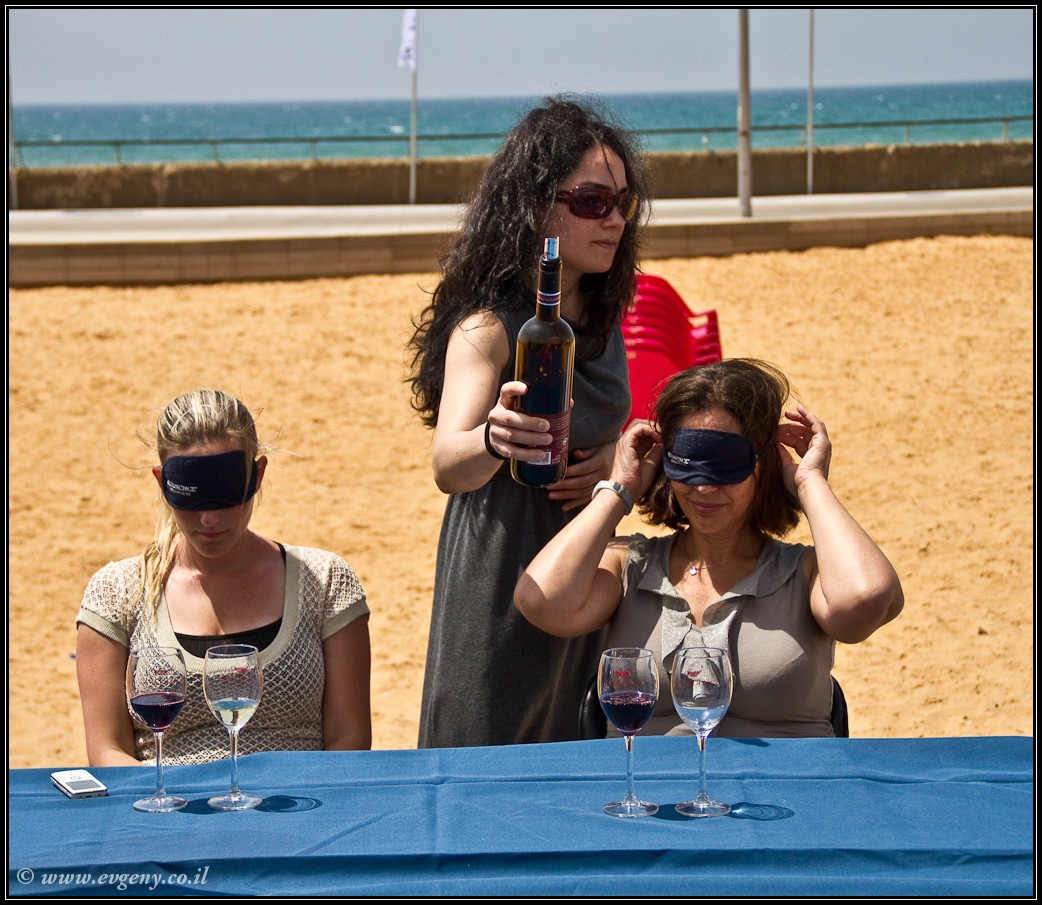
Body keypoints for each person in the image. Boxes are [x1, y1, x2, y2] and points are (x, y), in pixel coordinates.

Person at [407, 95, 650, 747]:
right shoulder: (488, 328)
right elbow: (447, 465)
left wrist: (609, 463)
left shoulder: (604, 323)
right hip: (502, 561)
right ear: (536, 206)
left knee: (577, 743)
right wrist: (495, 438)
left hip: (583, 563)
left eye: (623, 203)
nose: (614, 220)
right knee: (486, 742)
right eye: (593, 201)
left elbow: (612, 432)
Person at [515, 359, 904, 737]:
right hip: (644, 781)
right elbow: (540, 599)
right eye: (688, 462)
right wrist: (618, 490)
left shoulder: (806, 574)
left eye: (725, 466)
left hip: (786, 782)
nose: (703, 487)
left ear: (767, 462)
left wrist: (810, 482)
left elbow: (866, 598)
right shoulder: (629, 567)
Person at [76, 389, 372, 765]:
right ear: (162, 483)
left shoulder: (325, 583)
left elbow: (349, 739)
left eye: (225, 495)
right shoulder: (116, 592)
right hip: (163, 802)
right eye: (192, 496)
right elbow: (107, 750)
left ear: (258, 476)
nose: (209, 518)